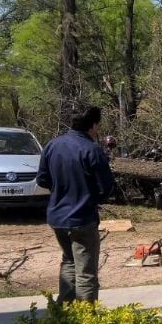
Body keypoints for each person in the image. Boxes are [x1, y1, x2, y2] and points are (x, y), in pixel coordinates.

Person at [36, 106, 115, 303]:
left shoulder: (52, 145)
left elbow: (42, 180)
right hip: (82, 218)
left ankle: (66, 313)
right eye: (98, 125)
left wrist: (62, 187)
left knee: (69, 262)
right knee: (86, 273)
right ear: (93, 125)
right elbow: (106, 188)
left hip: (57, 218)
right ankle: (85, 321)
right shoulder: (92, 149)